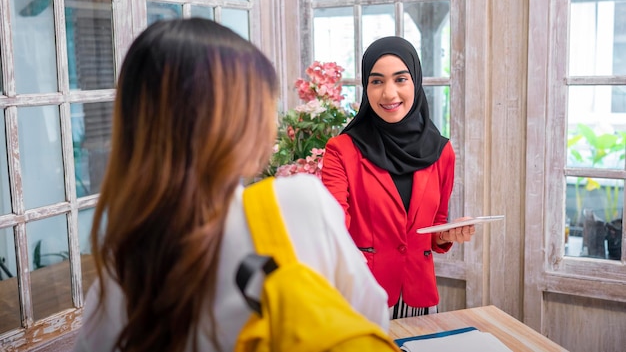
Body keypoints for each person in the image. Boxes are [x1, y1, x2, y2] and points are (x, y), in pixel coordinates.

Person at [72, 18, 389, 352]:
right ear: (236, 119)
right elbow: (371, 319)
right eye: (267, 103)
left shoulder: (121, 269)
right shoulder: (294, 204)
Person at [321, 36, 475, 319]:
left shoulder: (442, 152)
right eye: (377, 81)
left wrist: (447, 234)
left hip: (418, 297)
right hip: (362, 296)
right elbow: (332, 226)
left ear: (415, 82)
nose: (389, 93)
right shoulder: (341, 151)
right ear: (366, 88)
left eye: (400, 79)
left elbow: (434, 226)